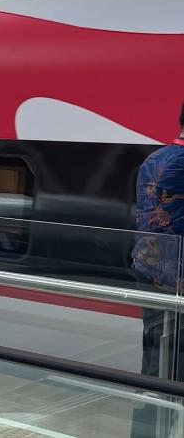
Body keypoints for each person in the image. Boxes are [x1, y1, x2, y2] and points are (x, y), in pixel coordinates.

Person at [131, 103, 184, 437]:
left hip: (149, 273)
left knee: (155, 363)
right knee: (173, 370)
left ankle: (146, 431)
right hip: (177, 284)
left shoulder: (154, 158)